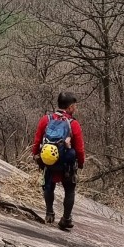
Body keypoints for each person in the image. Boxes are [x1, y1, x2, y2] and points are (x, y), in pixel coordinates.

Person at [33, 92, 85, 231]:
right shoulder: (73, 124)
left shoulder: (46, 119)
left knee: (48, 186)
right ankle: (66, 218)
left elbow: (37, 140)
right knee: (69, 190)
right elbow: (79, 148)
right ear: (70, 107)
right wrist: (80, 163)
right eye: (75, 106)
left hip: (49, 161)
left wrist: (36, 156)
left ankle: (49, 213)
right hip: (66, 163)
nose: (76, 109)